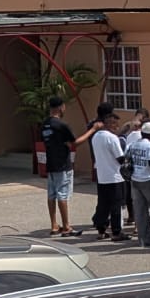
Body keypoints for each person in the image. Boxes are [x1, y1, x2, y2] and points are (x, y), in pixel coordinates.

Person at [40, 96, 95, 236]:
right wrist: (92, 130)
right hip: (62, 164)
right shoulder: (61, 125)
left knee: (51, 194)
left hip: (51, 163)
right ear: (61, 107)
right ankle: (66, 226)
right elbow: (74, 143)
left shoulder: (44, 124)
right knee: (62, 195)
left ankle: (53, 224)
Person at [91, 113, 131, 241]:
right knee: (116, 205)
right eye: (115, 124)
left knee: (103, 204)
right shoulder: (112, 138)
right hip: (115, 176)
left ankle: (101, 230)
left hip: (102, 176)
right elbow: (120, 158)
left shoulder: (95, 137)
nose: (117, 126)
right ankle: (116, 232)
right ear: (108, 124)